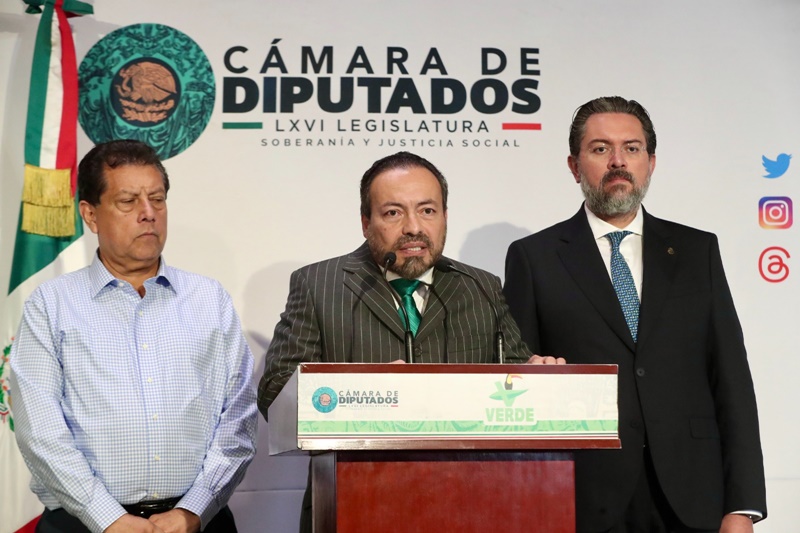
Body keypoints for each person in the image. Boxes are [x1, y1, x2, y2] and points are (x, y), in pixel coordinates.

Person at [258, 151, 559, 532]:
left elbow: (514, 376)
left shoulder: (480, 287)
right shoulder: (319, 285)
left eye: (427, 211)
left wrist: (538, 378)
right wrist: (362, 391)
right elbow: (275, 391)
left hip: (473, 503)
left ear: (445, 216)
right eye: (393, 213)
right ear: (366, 223)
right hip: (354, 504)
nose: (413, 227)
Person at [503, 96, 767, 533]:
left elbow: (731, 380)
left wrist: (743, 505)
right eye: (600, 148)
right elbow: (518, 382)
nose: (618, 161)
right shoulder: (535, 258)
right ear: (574, 166)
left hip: (693, 496)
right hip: (583, 498)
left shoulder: (697, 251)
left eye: (632, 148)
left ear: (651, 162)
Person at [10, 140, 258, 533]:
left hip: (196, 522)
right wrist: (106, 517)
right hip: (82, 522)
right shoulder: (51, 304)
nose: (148, 213)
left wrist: (193, 510)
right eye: (128, 201)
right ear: (90, 214)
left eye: (157, 199)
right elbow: (40, 429)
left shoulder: (208, 299)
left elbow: (239, 416)